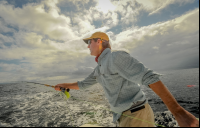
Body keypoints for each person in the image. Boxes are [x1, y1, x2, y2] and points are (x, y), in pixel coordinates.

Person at [55, 32, 199, 127]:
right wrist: (63, 85)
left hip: (136, 114)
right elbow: (83, 84)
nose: (87, 46)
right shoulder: (99, 68)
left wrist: (178, 112)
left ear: (99, 41)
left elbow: (148, 77)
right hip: (124, 117)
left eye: (89, 42)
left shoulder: (115, 57)